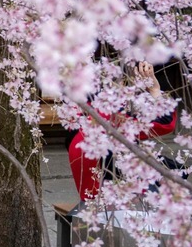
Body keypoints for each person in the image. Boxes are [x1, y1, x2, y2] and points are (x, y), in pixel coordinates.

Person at [69, 61, 177, 202]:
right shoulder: (114, 116)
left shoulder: (82, 114)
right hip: (117, 192)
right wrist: (155, 90)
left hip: (95, 192)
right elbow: (166, 123)